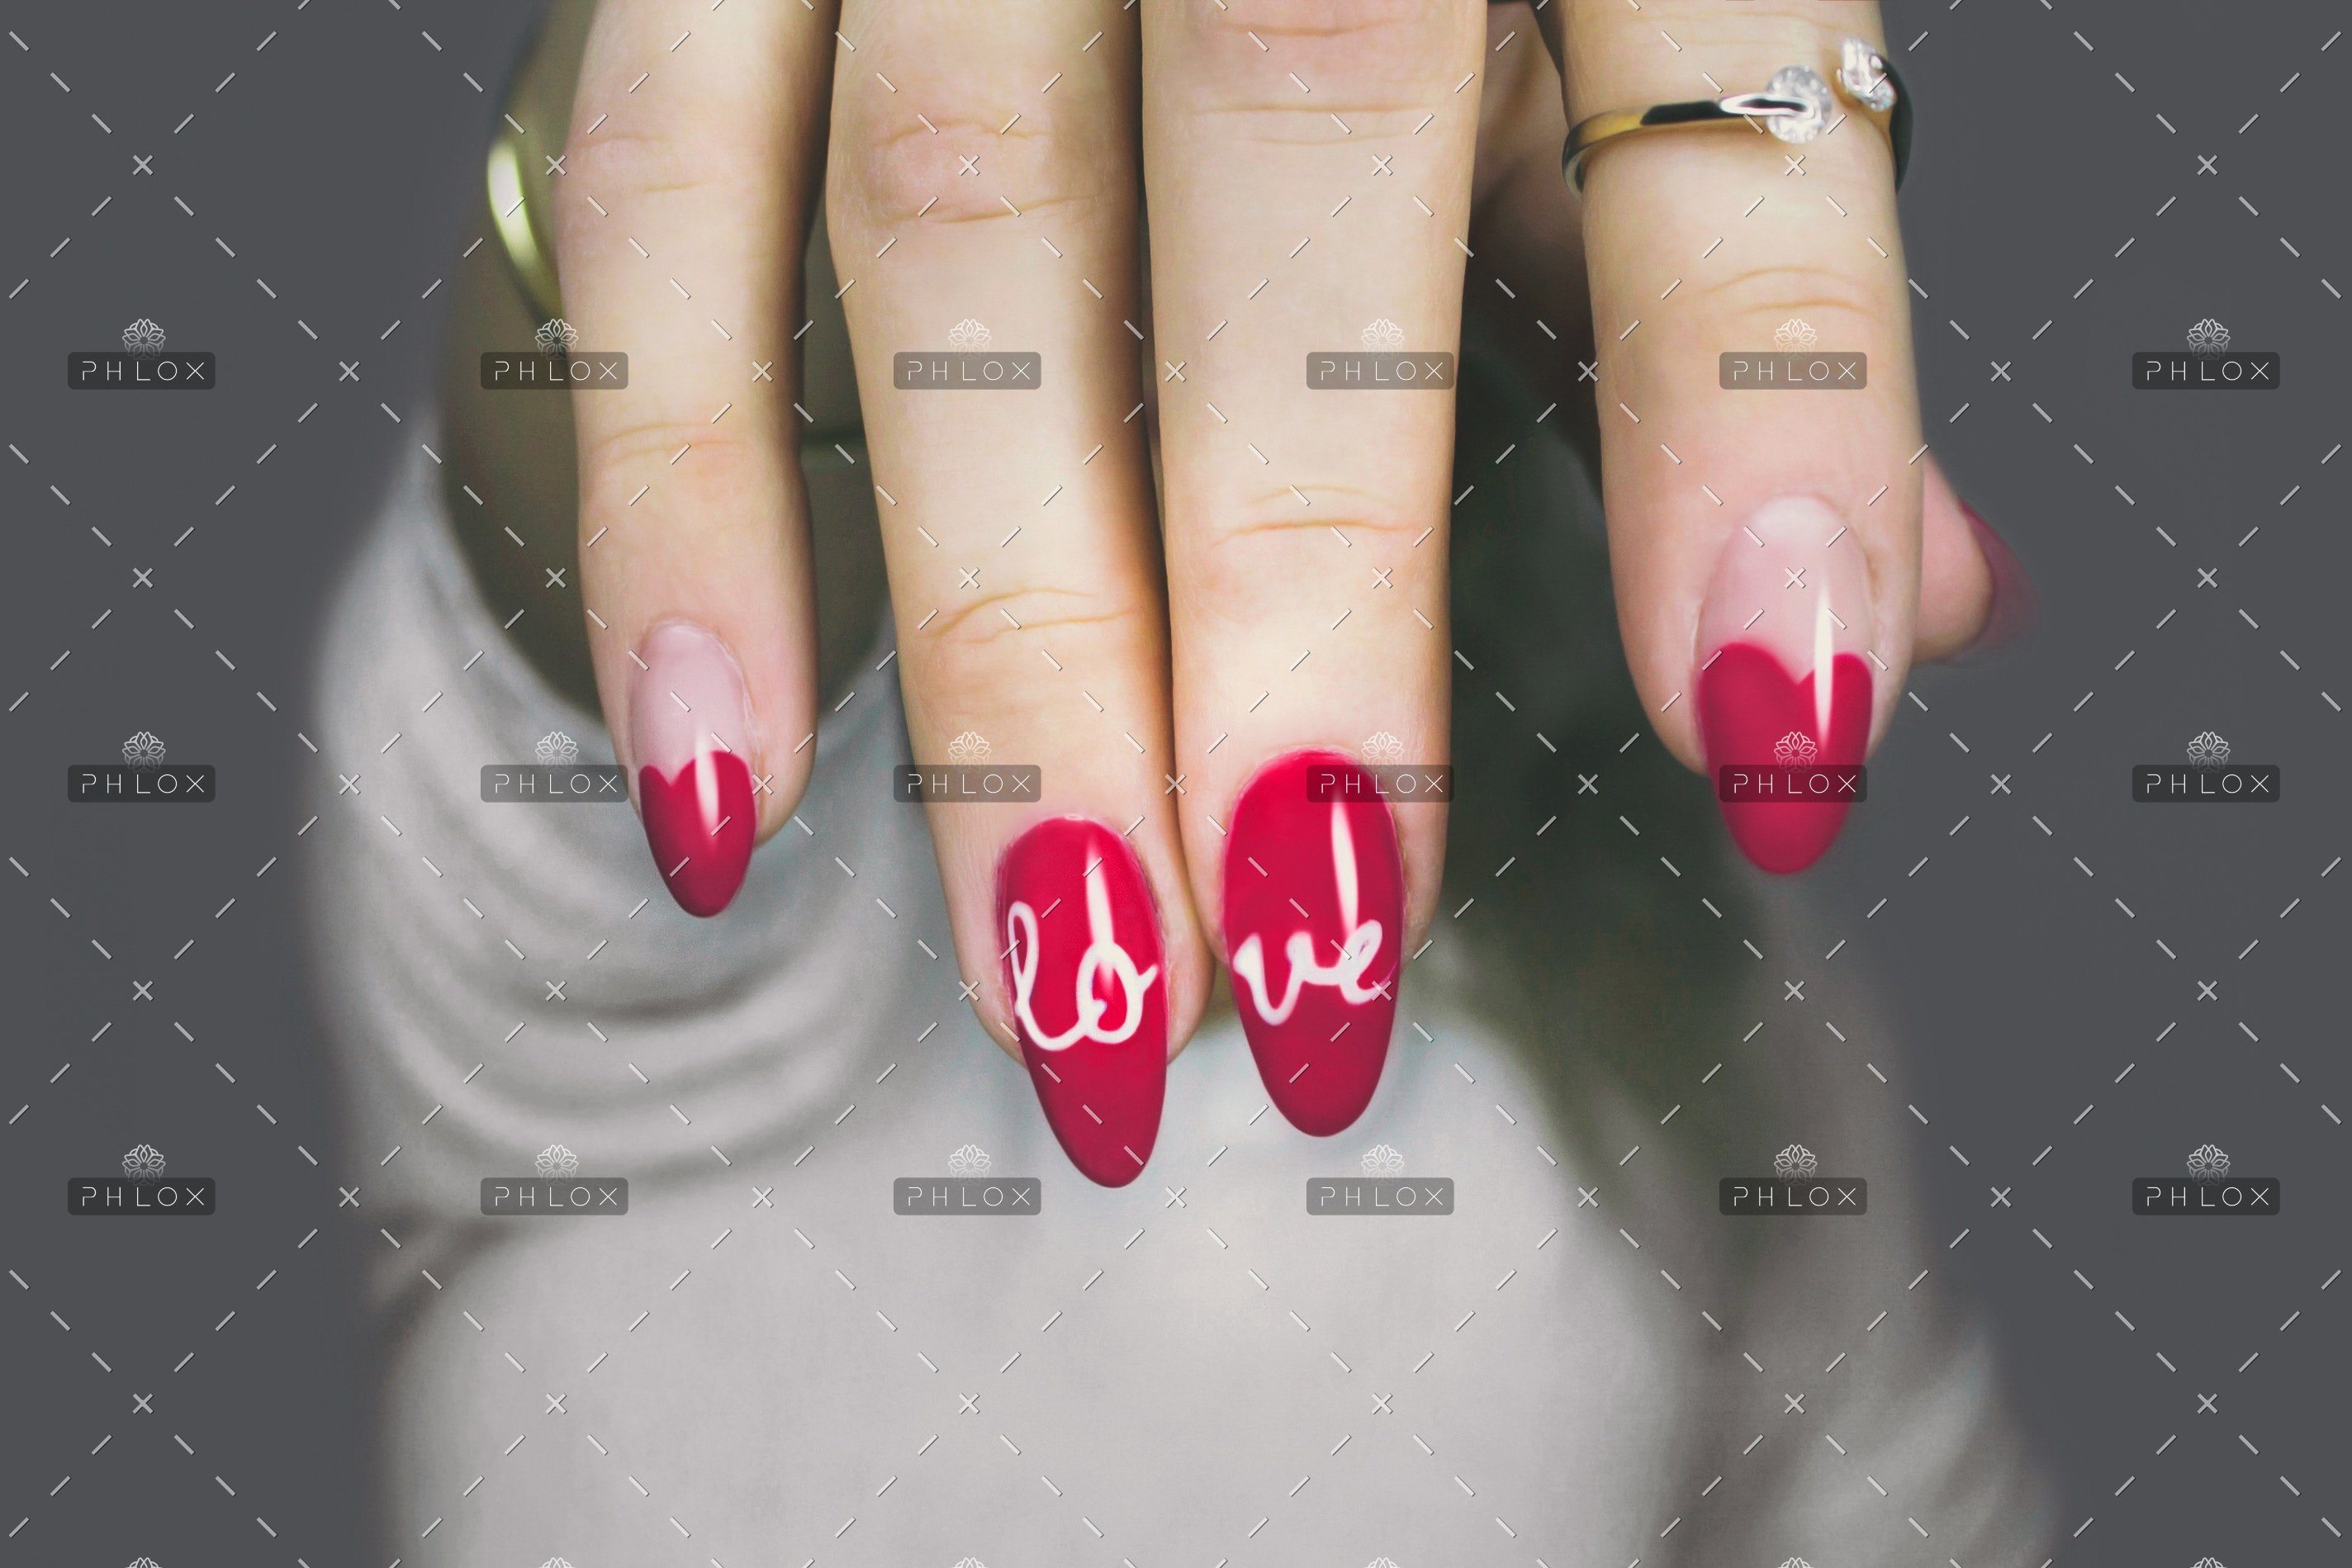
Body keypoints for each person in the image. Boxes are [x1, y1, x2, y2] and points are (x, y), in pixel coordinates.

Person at [306, 2, 2049, 1560]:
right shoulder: (682, 934)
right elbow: (586, 563)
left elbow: (1909, 1509)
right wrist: (704, 179)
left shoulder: (1670, 969)